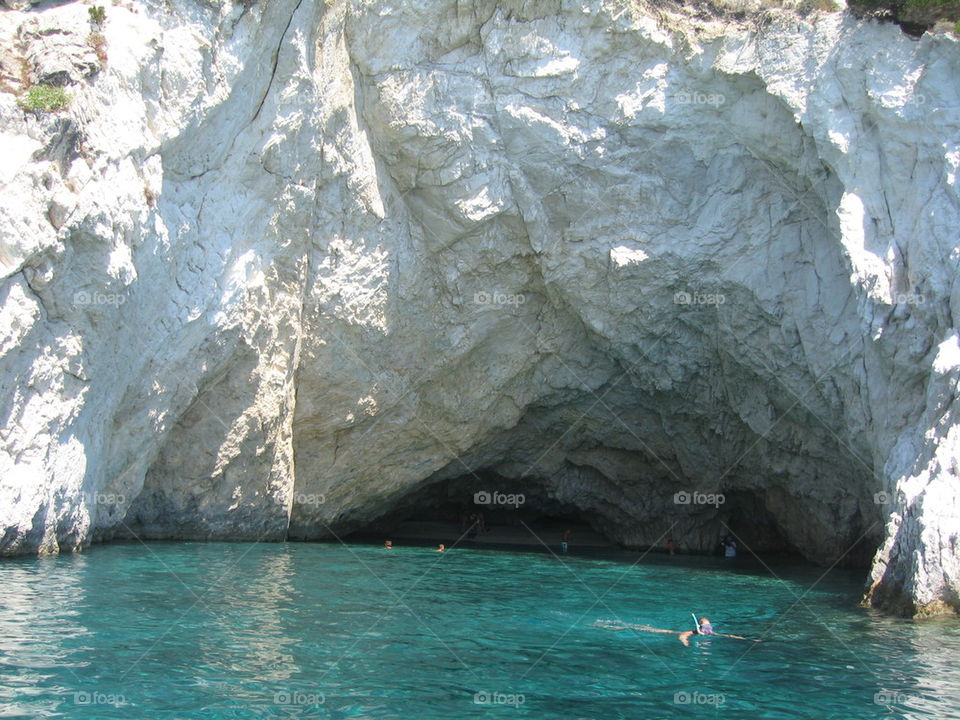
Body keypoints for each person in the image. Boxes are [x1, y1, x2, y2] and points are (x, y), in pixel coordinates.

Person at [593, 617, 759, 647]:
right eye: (705, 627)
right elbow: (683, 635)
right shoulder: (695, 631)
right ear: (701, 627)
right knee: (639, 628)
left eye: (709, 627)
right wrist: (685, 642)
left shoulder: (710, 633)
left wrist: (747, 640)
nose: (708, 629)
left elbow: (728, 635)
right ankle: (611, 626)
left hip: (680, 633)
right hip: (666, 632)